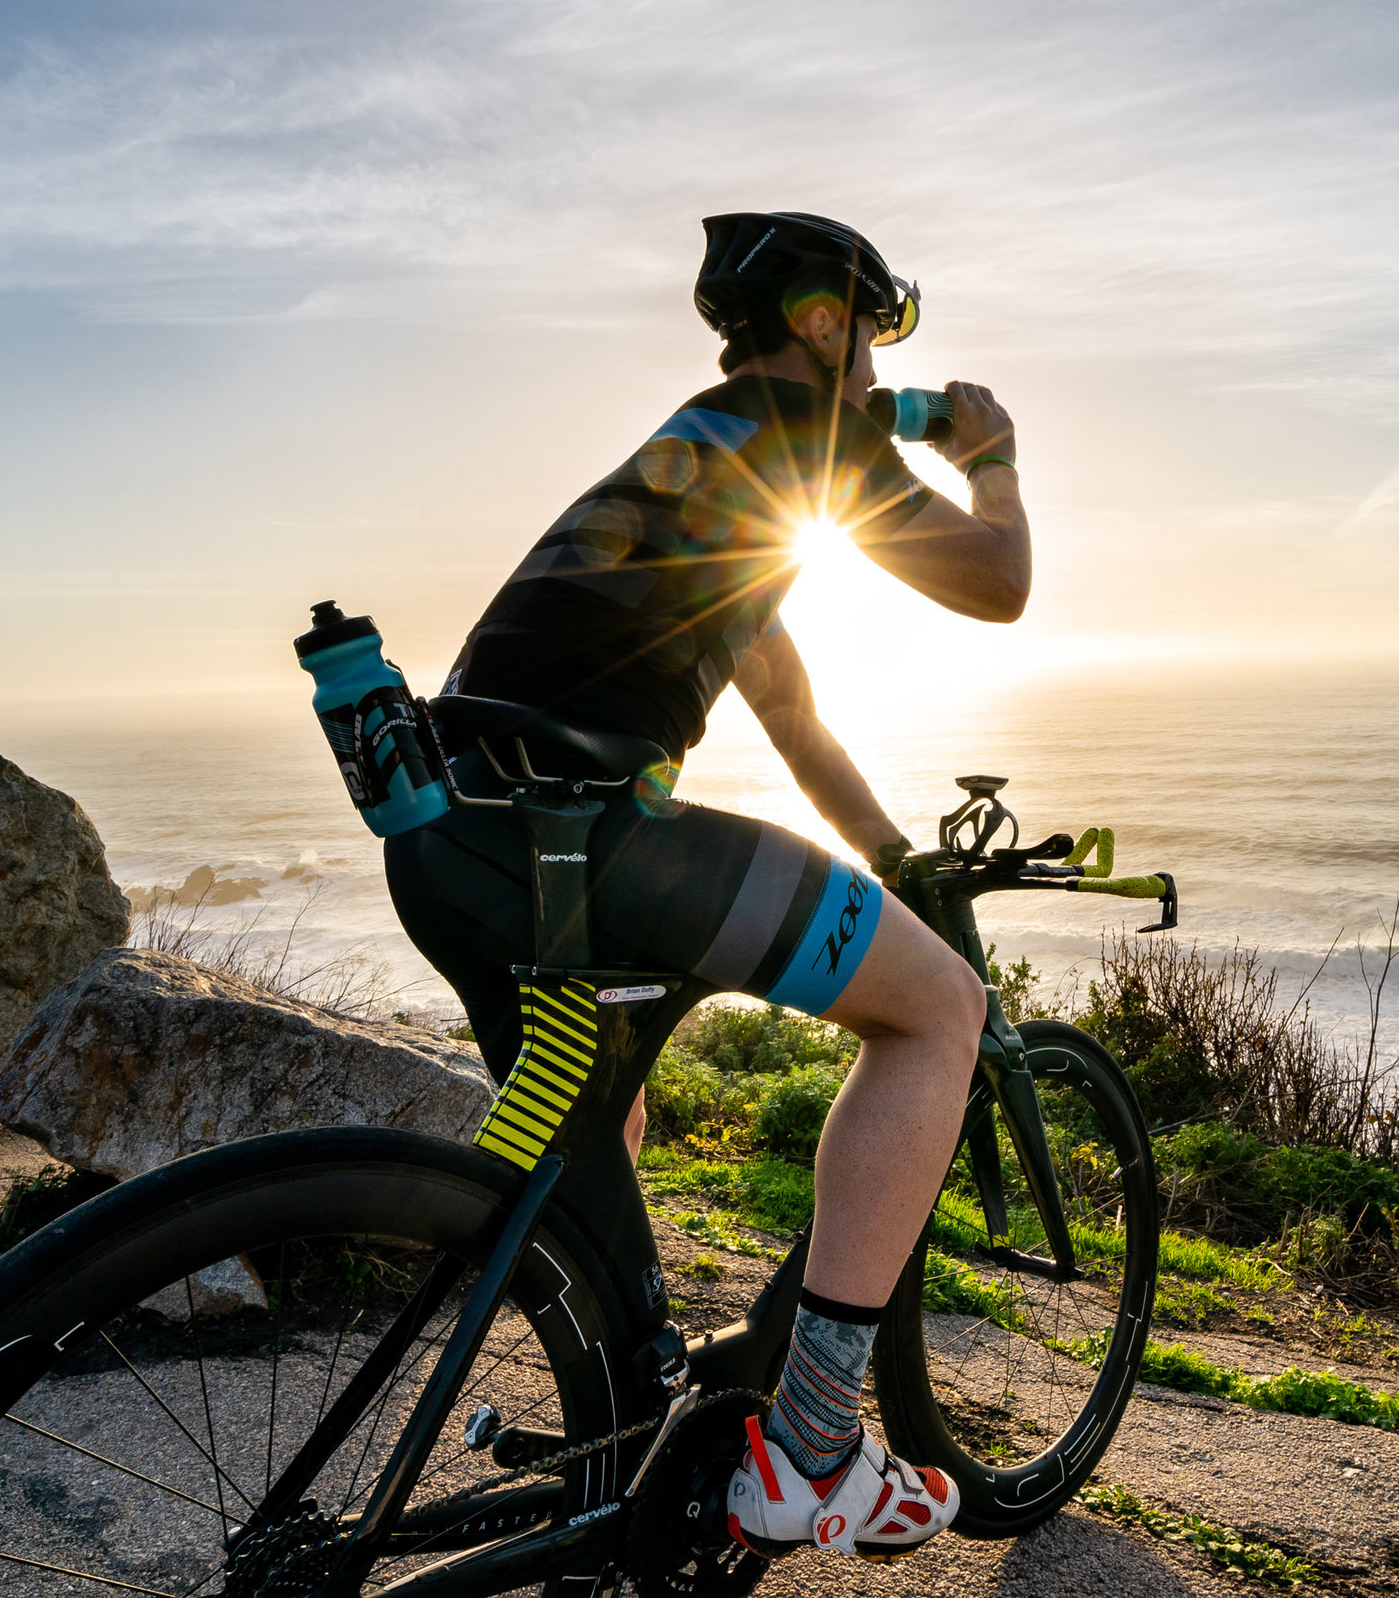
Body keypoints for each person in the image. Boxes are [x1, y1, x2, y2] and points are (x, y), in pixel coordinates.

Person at [382, 212, 1031, 1560]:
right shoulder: (799, 424)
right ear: (820, 323)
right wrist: (992, 462)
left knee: (594, 1124)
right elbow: (996, 582)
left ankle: (620, 1452)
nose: (878, 369)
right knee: (940, 1013)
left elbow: (788, 713)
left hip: (452, 842)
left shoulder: (693, 460)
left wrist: (892, 853)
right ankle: (808, 1451)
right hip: (582, 846)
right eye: (880, 329)